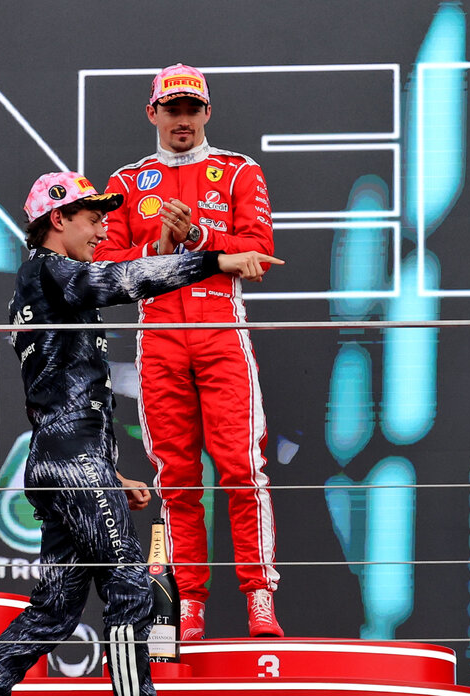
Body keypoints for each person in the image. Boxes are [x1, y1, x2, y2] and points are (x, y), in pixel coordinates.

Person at [0, 171, 281, 696]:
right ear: (58, 219)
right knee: (132, 590)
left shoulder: (44, 283)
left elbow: (60, 396)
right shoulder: (51, 272)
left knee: (53, 611)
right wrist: (213, 261)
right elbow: (121, 280)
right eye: (92, 220)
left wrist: (109, 473)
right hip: (74, 461)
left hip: (63, 459)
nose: (100, 231)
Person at [94, 64, 282, 640]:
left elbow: (261, 248)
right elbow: (106, 264)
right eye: (171, 108)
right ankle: (190, 601)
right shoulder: (128, 182)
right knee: (175, 477)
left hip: (221, 331)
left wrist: (199, 239)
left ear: (207, 113)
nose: (182, 118)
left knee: (242, 468)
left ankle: (259, 599)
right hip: (159, 338)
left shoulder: (238, 171)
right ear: (152, 113)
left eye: (191, 108)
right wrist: (162, 244)